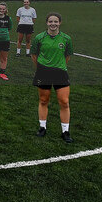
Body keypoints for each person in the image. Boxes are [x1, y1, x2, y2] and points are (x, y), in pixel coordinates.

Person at [31, 13, 74, 143]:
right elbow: (34, 54)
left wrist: (59, 66)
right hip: (43, 72)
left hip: (60, 72)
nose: (53, 24)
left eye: (55, 21)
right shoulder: (39, 38)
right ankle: (42, 127)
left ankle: (65, 131)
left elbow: (67, 55)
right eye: (50, 21)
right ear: (46, 23)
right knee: (44, 100)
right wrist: (41, 68)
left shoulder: (66, 38)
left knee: (64, 101)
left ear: (60, 22)